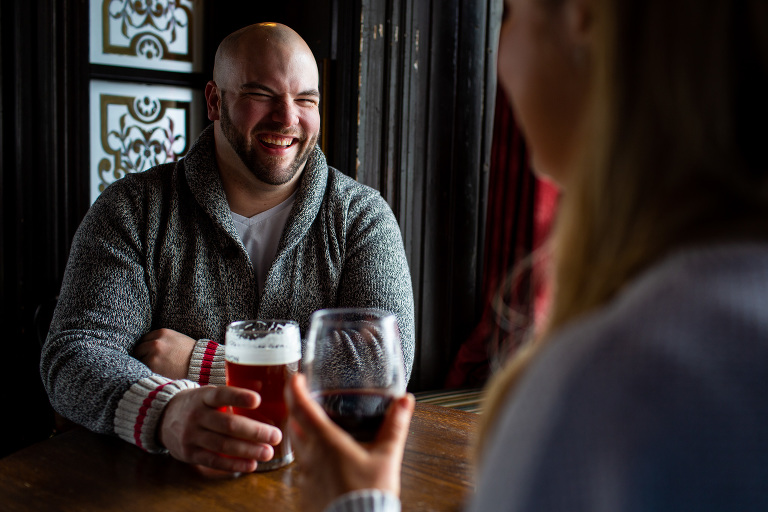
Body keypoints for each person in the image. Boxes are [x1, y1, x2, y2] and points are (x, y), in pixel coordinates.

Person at [287, 0, 768, 510]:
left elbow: (385, 359)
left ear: (583, 16)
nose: (500, 57)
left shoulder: (611, 383)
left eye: (511, 13)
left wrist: (357, 502)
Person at [40, 22, 415, 474]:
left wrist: (199, 363)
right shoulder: (132, 207)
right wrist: (167, 414)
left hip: (315, 483)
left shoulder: (362, 215)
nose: (287, 117)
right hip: (161, 487)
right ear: (215, 101)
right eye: (262, 94)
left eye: (306, 100)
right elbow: (76, 353)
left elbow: (382, 368)